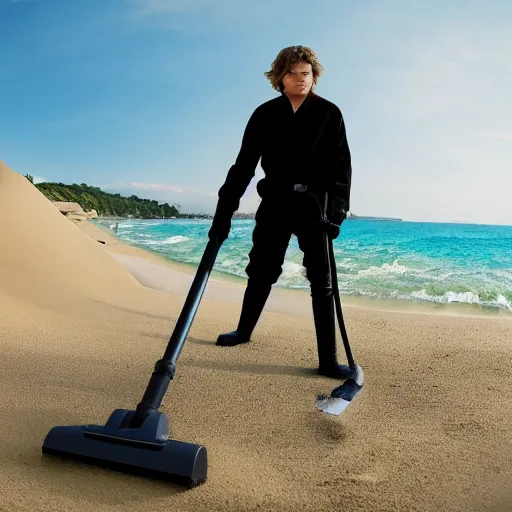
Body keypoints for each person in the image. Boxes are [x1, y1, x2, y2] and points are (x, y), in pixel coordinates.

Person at [208, 45, 353, 379]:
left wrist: (337, 213)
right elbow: (243, 166)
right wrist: (224, 212)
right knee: (261, 269)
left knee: (322, 279)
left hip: (315, 207)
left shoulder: (330, 113)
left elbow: (341, 169)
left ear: (314, 76)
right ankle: (243, 331)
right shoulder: (265, 114)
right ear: (279, 77)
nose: (300, 80)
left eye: (306, 73)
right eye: (292, 73)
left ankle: (327, 360)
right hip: (274, 203)